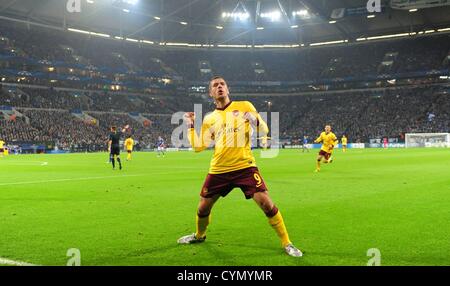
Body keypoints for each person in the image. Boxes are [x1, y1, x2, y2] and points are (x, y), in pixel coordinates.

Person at [177, 76, 302, 257]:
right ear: (211, 93)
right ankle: (199, 235)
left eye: (222, 84)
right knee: (203, 208)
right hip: (219, 169)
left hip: (245, 166)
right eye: (215, 86)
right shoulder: (209, 119)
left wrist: (254, 120)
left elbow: (265, 131)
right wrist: (189, 126)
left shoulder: (245, 106)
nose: (219, 87)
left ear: (227, 89)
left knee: (266, 203)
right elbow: (198, 147)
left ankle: (287, 243)